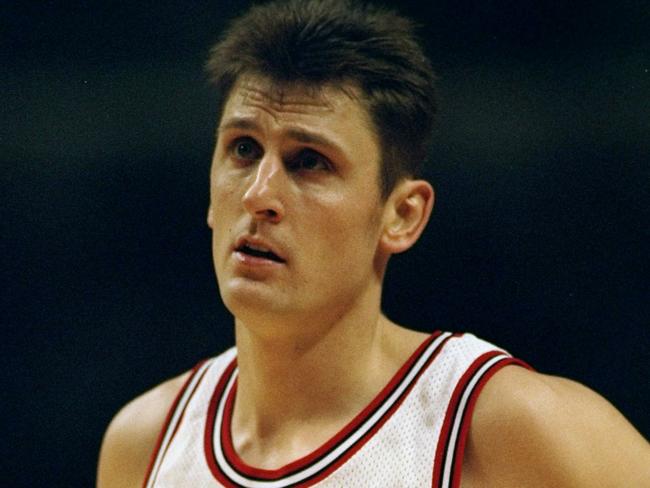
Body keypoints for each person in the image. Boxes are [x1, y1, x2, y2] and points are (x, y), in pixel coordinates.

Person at [97, 0, 650, 486]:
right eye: (243, 149)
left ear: (401, 215)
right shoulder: (144, 446)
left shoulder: (504, 426)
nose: (259, 194)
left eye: (309, 161)